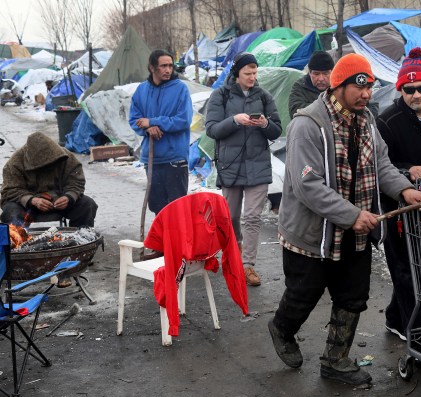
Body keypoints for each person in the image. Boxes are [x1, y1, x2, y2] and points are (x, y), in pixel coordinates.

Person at [268, 54, 421, 386]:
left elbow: (381, 164)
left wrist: (404, 190)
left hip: (356, 231)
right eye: (359, 86)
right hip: (313, 233)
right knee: (303, 295)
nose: (367, 93)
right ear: (339, 86)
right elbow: (307, 185)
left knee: (352, 296)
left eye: (369, 86)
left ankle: (335, 360)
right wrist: (352, 215)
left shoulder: (367, 121)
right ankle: (282, 328)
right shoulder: (307, 125)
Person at [375, 47, 421, 349]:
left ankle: (396, 316)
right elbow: (380, 165)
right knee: (406, 269)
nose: (416, 94)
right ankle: (420, 336)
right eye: (409, 90)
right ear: (401, 90)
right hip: (400, 205)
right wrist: (407, 171)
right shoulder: (389, 121)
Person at [205, 52, 282, 287]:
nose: (252, 77)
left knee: (252, 216)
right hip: (230, 165)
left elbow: (277, 130)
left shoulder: (264, 96)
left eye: (255, 72)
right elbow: (211, 130)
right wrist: (235, 120)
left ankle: (248, 265)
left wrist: (265, 124)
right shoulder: (221, 96)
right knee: (232, 217)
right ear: (236, 73)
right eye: (248, 73)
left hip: (258, 164)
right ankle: (235, 247)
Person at [129, 49, 193, 216]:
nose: (168, 70)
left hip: (175, 159)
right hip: (152, 158)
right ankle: (163, 242)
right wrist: (147, 128)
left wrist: (154, 121)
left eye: (170, 66)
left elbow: (183, 120)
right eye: (163, 66)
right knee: (158, 207)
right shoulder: (141, 90)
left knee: (177, 209)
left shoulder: (180, 89)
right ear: (152, 68)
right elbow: (134, 119)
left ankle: (177, 242)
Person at [1, 131, 98, 228]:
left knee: (87, 204)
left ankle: (81, 237)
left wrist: (69, 197)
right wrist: (33, 200)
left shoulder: (66, 158)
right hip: (26, 206)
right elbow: (10, 190)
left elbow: (76, 182)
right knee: (11, 211)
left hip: (59, 202)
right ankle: (18, 241)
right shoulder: (14, 164)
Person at [288, 51, 335, 118]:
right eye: (316, 74)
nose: (321, 79)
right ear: (309, 73)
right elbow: (295, 110)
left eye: (325, 73)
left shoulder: (339, 86)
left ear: (332, 72)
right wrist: (328, 106)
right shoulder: (300, 86)